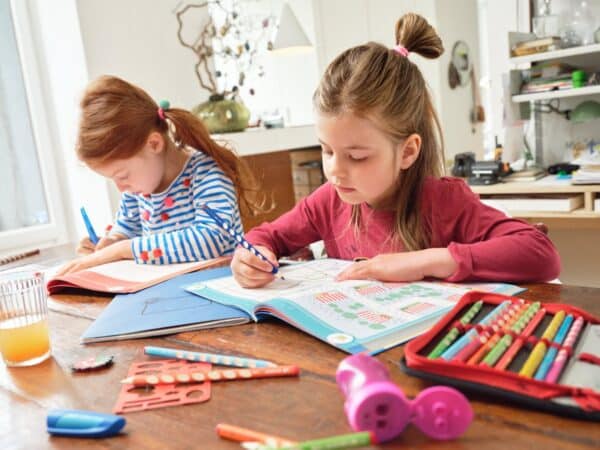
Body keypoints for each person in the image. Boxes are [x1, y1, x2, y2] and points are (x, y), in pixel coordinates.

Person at [231, 13, 560, 288]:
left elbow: (541, 253)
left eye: (357, 156)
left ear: (407, 151)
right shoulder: (328, 201)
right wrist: (253, 255)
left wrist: (425, 262)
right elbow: (267, 236)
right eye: (327, 150)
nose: (335, 170)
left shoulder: (445, 202)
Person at [58, 75, 262, 275]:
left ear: (154, 144)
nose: (120, 187)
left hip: (218, 291)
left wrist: (122, 250)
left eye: (122, 175)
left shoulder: (206, 172)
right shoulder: (137, 189)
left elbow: (212, 239)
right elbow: (127, 228)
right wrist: (111, 243)